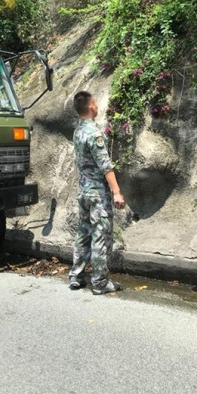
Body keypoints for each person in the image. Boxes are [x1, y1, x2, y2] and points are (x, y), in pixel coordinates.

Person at [69, 91, 126, 294]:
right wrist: (116, 192)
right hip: (97, 194)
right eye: (96, 102)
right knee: (100, 235)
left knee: (83, 233)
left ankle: (76, 275)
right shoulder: (94, 133)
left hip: (83, 191)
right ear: (92, 105)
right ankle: (100, 282)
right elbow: (105, 166)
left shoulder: (78, 131)